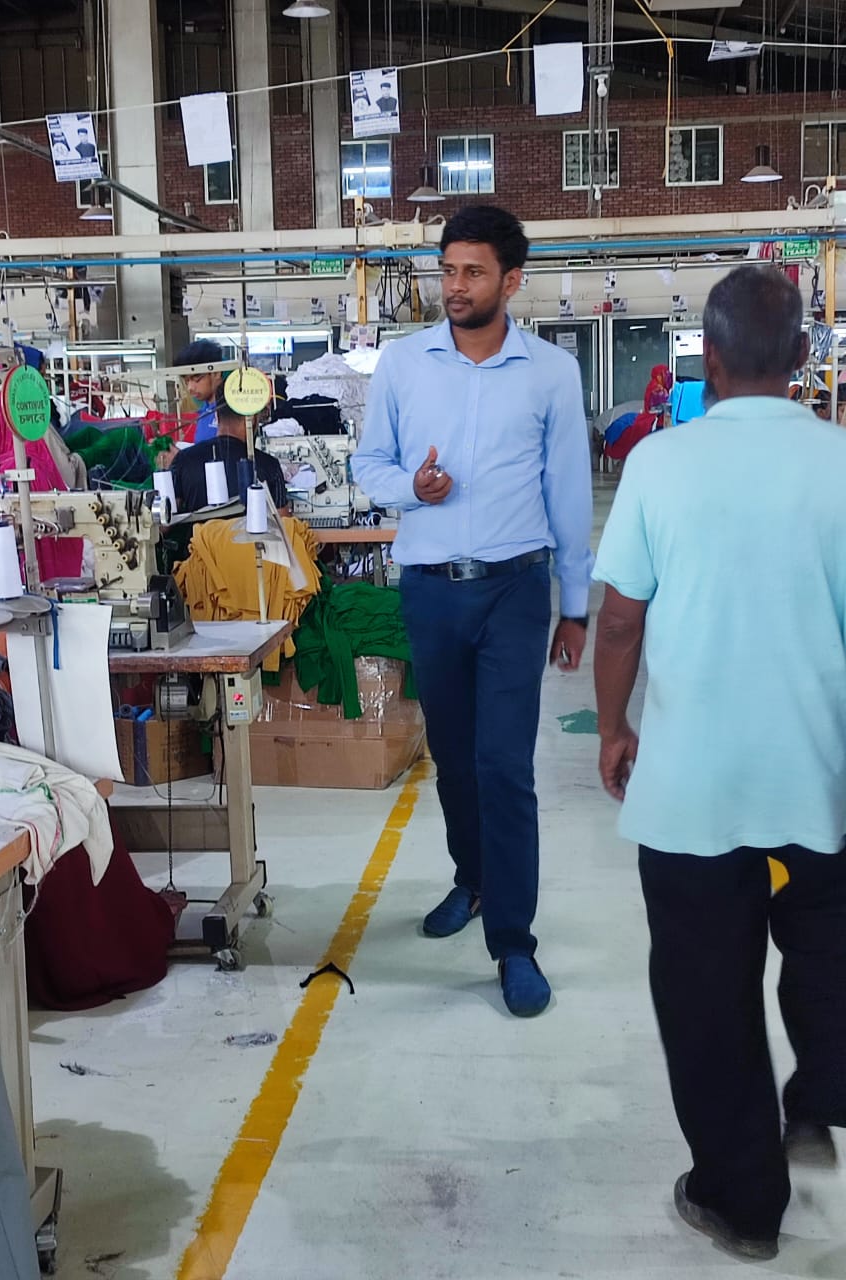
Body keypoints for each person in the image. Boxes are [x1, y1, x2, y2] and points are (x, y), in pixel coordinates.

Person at [592, 264, 846, 1262]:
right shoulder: (840, 460)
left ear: (705, 355)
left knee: (706, 993)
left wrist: (614, 726)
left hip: (693, 789)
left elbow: (621, 621)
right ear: (802, 356)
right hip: (821, 776)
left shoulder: (660, 464)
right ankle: (821, 1098)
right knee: (830, 949)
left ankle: (741, 1203)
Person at [351, 205, 592, 1018]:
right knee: (454, 760)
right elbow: (369, 463)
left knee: (505, 767)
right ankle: (474, 879)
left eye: (473, 272)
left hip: (517, 590)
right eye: (448, 270)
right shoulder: (404, 363)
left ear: (511, 280)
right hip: (429, 587)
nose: (455, 286)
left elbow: (568, 492)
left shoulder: (551, 373)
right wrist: (409, 489)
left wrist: (576, 606)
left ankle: (514, 942)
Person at [171, 398, 288, 514]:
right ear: (252, 419)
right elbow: (284, 521)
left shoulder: (183, 459)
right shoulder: (270, 465)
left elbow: (168, 517)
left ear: (216, 416)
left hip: (195, 527)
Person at [175, 339, 225, 443]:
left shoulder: (228, 412)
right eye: (187, 381)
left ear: (216, 373)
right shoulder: (205, 410)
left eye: (196, 379)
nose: (190, 388)